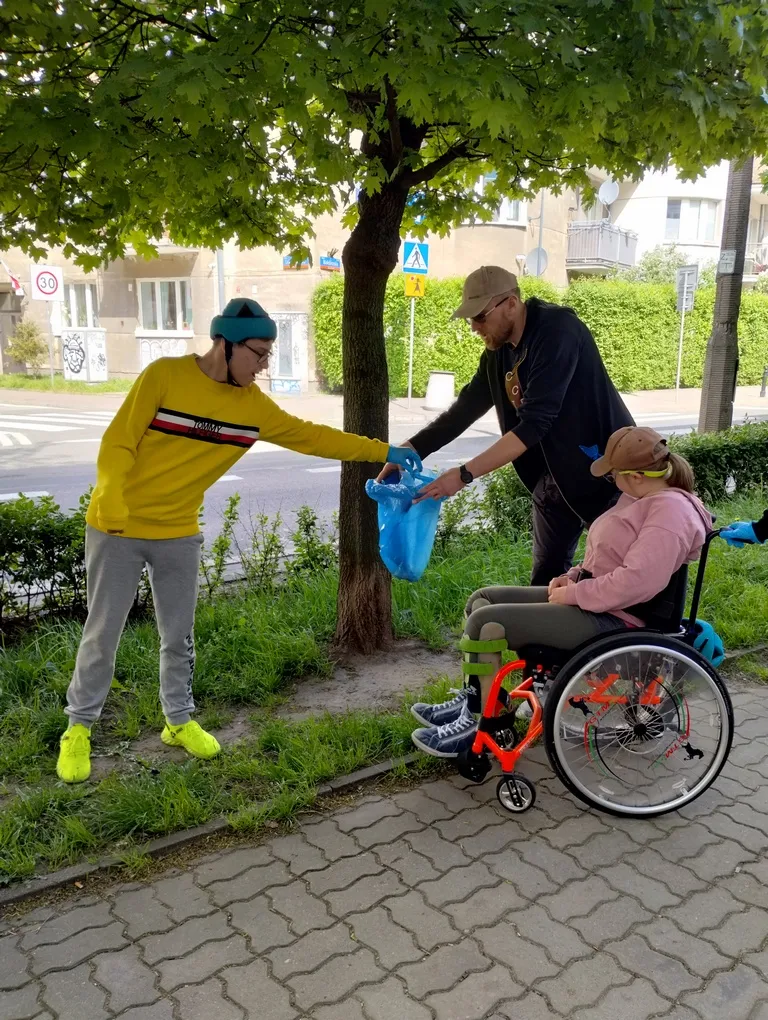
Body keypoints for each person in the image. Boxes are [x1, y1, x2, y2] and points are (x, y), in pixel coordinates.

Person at [57, 298, 422, 783]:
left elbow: (312, 437)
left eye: (269, 354)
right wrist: (109, 492)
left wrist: (386, 450)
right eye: (259, 353)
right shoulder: (163, 376)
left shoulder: (251, 407)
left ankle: (179, 720)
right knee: (103, 633)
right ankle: (78, 730)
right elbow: (119, 441)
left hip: (178, 533)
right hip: (117, 527)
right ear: (224, 344)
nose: (265, 364)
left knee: (179, 636)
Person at [410, 426, 713, 757]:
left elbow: (637, 582)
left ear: (637, 475)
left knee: (486, 623)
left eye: (614, 476)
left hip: (617, 622)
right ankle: (480, 700)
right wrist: (571, 577)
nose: (612, 482)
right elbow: (610, 558)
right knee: (482, 599)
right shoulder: (643, 498)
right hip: (599, 604)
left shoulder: (670, 512)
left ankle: (482, 725)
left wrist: (575, 594)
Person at [378, 266, 634, 585]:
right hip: (553, 481)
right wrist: (406, 451)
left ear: (511, 304)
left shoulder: (557, 331)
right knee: (546, 580)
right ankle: (548, 635)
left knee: (618, 577)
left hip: (607, 473)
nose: (474, 327)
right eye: (470, 318)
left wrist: (463, 474)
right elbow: (463, 411)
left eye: (480, 317)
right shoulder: (498, 354)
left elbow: (533, 426)